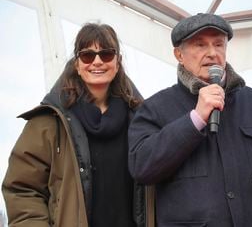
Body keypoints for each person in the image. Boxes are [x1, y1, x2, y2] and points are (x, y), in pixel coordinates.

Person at [128, 13, 252, 227]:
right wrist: (195, 119)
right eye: (200, 45)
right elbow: (141, 167)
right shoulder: (155, 108)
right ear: (178, 54)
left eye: (218, 44)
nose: (211, 53)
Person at [2, 23, 145, 227]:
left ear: (118, 62)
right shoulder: (48, 122)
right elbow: (23, 189)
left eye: (106, 54)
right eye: (87, 55)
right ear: (77, 64)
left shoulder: (141, 121)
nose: (97, 61)